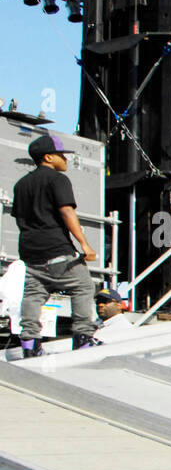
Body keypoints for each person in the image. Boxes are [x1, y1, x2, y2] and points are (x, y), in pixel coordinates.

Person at [11, 134, 100, 356]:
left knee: (34, 293)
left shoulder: (21, 184)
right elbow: (66, 211)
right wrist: (85, 245)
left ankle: (30, 343)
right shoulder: (57, 180)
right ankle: (83, 337)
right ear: (49, 157)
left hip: (30, 251)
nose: (66, 160)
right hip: (56, 248)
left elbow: (19, 217)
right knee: (83, 285)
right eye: (62, 155)